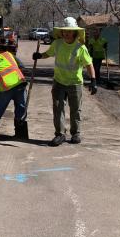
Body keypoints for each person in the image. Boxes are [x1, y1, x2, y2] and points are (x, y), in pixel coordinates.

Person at [33, 17, 97, 146]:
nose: (67, 33)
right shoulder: (57, 44)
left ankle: (76, 133)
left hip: (75, 83)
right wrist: (40, 55)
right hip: (59, 82)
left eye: (70, 31)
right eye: (64, 31)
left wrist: (93, 80)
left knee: (76, 109)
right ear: (61, 32)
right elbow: (48, 53)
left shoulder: (80, 48)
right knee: (58, 108)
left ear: (74, 32)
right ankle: (60, 134)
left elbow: (89, 64)